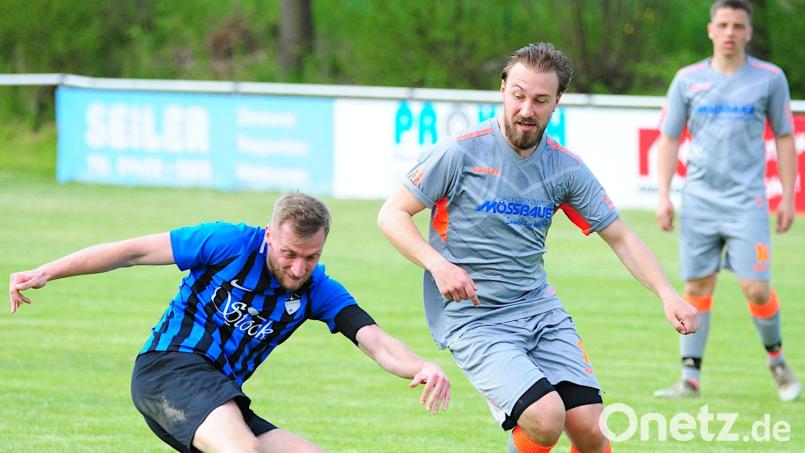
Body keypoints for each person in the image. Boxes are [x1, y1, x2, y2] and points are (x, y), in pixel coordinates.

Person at [377, 42, 698, 453]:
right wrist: (438, 265)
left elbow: (620, 236)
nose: (527, 110)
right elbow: (391, 214)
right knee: (546, 418)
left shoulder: (565, 168)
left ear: (557, 101)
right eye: (519, 95)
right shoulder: (461, 151)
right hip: (475, 318)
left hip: (538, 310)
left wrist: (667, 293)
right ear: (503, 89)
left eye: (540, 100)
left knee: (592, 431)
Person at [9, 192, 450, 453]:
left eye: (311, 257)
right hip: (169, 369)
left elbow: (374, 339)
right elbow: (132, 251)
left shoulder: (319, 289)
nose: (299, 269)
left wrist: (421, 367)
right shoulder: (228, 242)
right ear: (269, 235)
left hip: (221, 396)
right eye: (289, 254)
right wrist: (49, 270)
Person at [653, 0, 800, 402]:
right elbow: (669, 137)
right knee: (698, 284)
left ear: (749, 32)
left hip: (747, 204)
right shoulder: (687, 79)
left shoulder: (770, 78)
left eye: (738, 25)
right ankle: (689, 379)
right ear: (710, 29)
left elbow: (785, 137)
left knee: (755, 287)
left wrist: (788, 195)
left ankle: (777, 362)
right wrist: (664, 195)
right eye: (723, 24)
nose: (730, 31)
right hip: (698, 202)